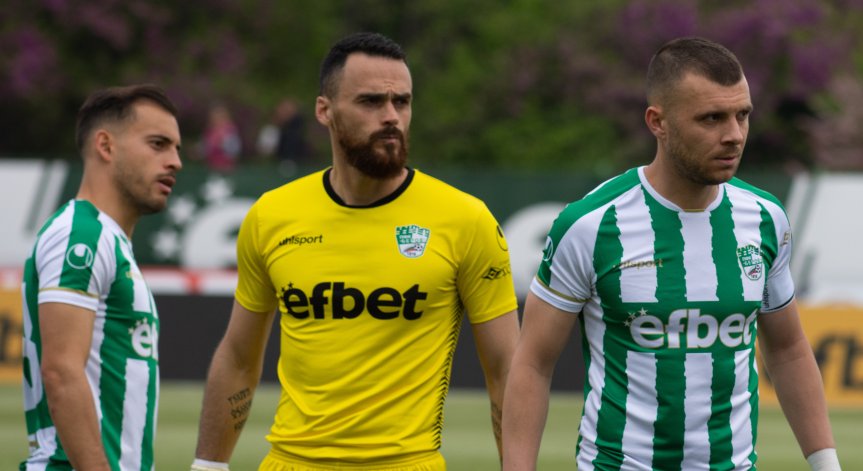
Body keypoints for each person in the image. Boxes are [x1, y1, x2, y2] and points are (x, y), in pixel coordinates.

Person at [501, 37, 841, 471]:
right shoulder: (590, 225)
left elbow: (788, 350)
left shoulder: (765, 218)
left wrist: (827, 465)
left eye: (742, 115)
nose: (734, 135)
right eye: (711, 118)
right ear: (657, 122)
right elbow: (533, 363)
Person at [191, 32, 520, 471]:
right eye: (370, 102)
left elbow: (506, 368)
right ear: (324, 111)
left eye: (402, 102)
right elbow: (237, 357)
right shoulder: (271, 216)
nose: (391, 116)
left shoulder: (466, 220)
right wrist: (207, 466)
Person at [19, 84, 182, 470]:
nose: (175, 161)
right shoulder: (81, 235)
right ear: (106, 146)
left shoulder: (109, 240)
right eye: (158, 144)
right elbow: (61, 373)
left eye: (177, 148)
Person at [256, 98, 312, 175]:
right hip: (274, 167)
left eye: (288, 111)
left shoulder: (295, 132)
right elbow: (265, 152)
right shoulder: (271, 130)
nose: (284, 113)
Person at [202, 103, 242, 173]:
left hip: (227, 168)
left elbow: (234, 150)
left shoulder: (230, 131)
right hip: (212, 167)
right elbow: (206, 147)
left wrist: (221, 143)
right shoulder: (210, 131)